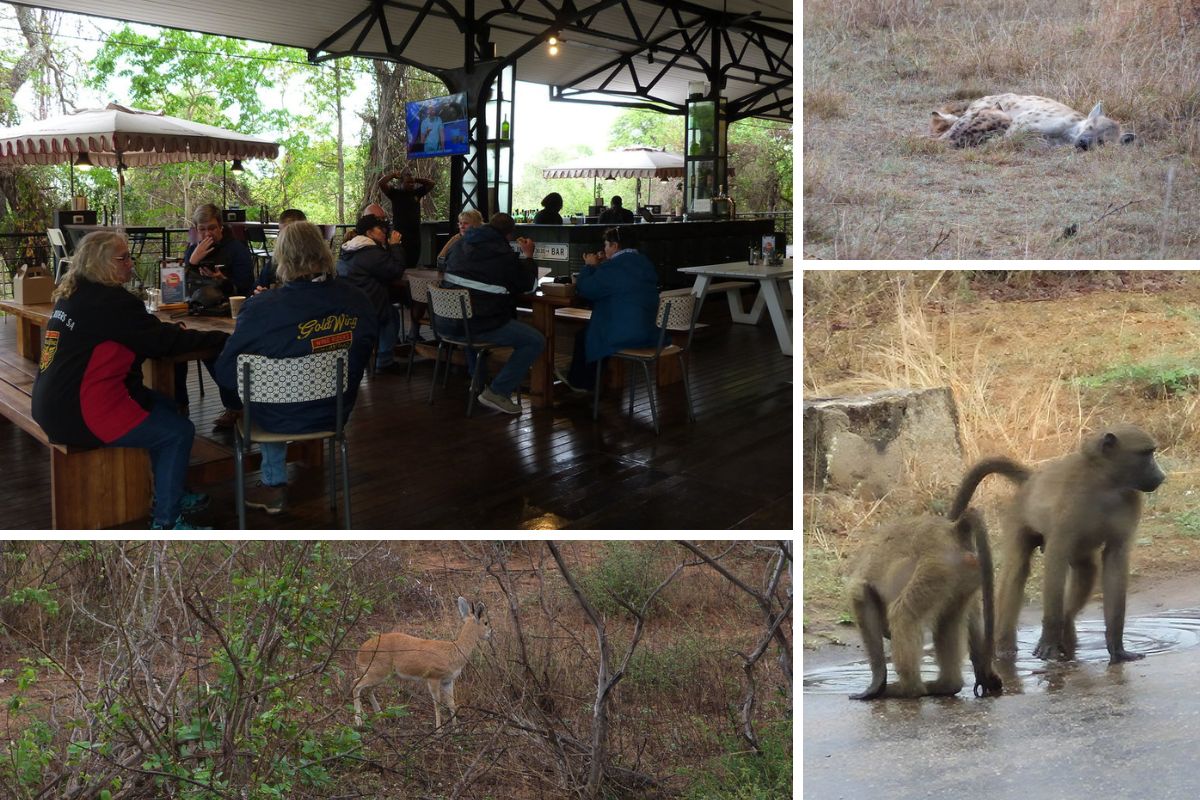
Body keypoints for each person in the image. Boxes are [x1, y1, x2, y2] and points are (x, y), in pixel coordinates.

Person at [30, 231, 229, 529]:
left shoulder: (73, 292)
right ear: (100, 264)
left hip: (52, 401)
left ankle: (170, 492)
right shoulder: (111, 302)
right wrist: (222, 338)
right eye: (122, 258)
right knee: (178, 432)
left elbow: (145, 337)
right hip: (80, 411)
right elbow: (163, 342)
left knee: (166, 406)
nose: (130, 263)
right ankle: (167, 521)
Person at [215, 222, 378, 516]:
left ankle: (272, 484)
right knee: (278, 389)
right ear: (323, 251)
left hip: (274, 417)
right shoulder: (358, 300)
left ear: (283, 258)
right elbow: (367, 348)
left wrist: (235, 403)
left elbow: (227, 372)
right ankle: (273, 481)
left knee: (266, 394)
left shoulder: (262, 308)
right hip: (335, 412)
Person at [439, 212, 544, 415]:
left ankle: (477, 382)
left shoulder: (459, 245)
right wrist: (529, 257)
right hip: (476, 324)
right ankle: (497, 391)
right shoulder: (503, 256)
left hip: (446, 324)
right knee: (534, 340)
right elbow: (529, 286)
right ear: (509, 236)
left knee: (470, 318)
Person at [562, 225, 659, 391]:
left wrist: (589, 267)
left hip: (625, 333)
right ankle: (592, 379)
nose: (604, 249)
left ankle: (580, 383)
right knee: (591, 332)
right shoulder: (645, 262)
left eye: (606, 245)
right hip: (649, 330)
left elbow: (587, 290)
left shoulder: (614, 267)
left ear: (615, 246)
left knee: (586, 336)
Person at [336, 213, 407, 374]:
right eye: (380, 229)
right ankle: (385, 360)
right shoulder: (370, 252)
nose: (384, 232)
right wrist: (395, 246)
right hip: (369, 306)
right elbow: (395, 271)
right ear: (369, 233)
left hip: (350, 305)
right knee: (391, 314)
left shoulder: (350, 248)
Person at [377, 169, 434, 268]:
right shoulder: (395, 194)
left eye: (412, 183)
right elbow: (381, 183)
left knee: (413, 261)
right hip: (400, 235)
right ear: (401, 183)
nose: (411, 184)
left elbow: (431, 183)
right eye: (408, 182)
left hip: (415, 234)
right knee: (400, 261)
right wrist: (393, 175)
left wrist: (415, 179)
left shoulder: (417, 193)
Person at [254, 208, 308, 294]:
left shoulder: (314, 267)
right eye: (281, 234)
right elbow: (257, 287)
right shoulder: (274, 263)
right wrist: (260, 293)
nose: (285, 239)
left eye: (291, 235)